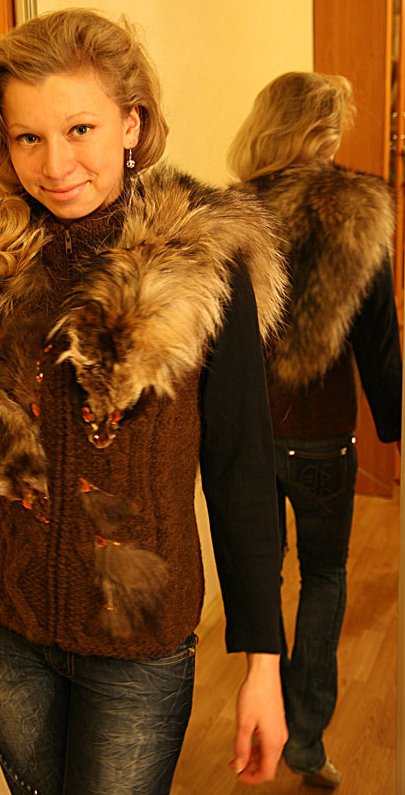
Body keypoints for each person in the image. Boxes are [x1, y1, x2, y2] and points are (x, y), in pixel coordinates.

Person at [0, 7, 288, 795]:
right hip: (1, 626)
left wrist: (264, 664)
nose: (55, 164)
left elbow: (242, 474)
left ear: (131, 124)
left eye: (79, 129)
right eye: (28, 137)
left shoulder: (201, 275)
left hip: (138, 648)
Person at [227, 71, 402, 790]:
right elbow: (379, 338)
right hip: (325, 435)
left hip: (246, 435)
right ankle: (304, 739)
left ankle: (257, 711)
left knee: (259, 572)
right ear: (320, 131)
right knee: (323, 576)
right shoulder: (359, 208)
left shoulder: (232, 212)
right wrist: (394, 425)